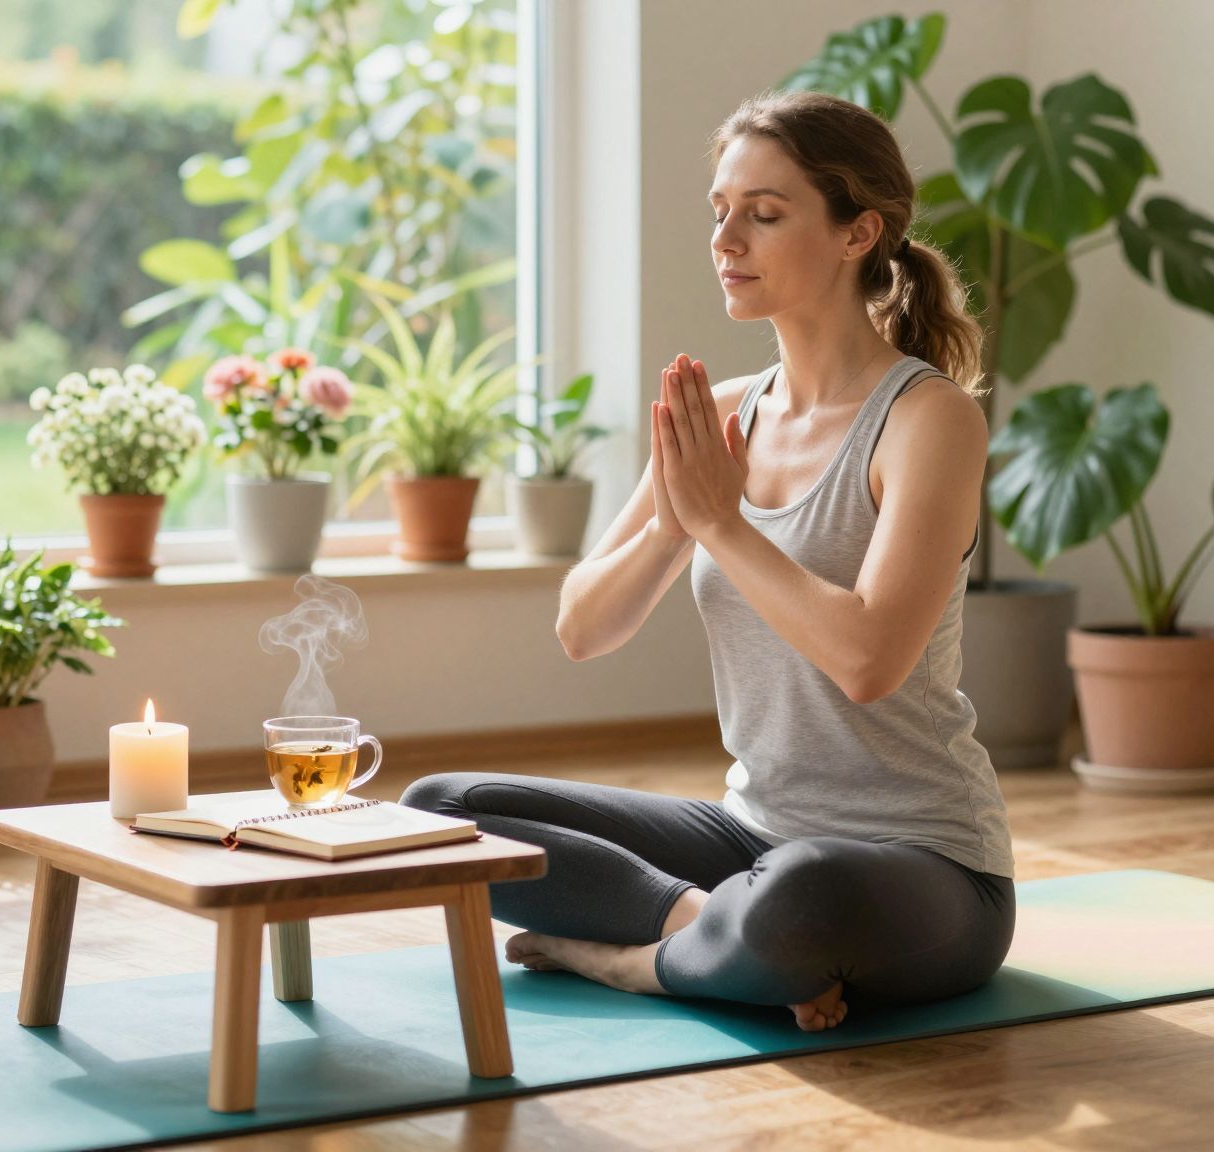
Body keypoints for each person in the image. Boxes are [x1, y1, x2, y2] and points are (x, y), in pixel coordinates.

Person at [401, 90, 1013, 1032]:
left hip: (923, 865)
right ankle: (713, 935)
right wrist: (672, 525)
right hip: (748, 836)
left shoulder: (929, 421)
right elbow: (582, 628)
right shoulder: (725, 412)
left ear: (859, 234)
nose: (728, 238)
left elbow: (868, 661)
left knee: (804, 892)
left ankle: (636, 961)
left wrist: (725, 524)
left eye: (765, 216)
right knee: (440, 810)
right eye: (720, 212)